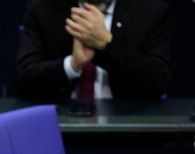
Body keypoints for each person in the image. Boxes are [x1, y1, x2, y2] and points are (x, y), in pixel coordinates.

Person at [14, 0, 170, 101]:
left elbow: (157, 82)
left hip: (128, 132)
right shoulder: (43, 8)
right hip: (62, 130)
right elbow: (24, 79)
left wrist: (107, 45)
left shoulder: (150, 10)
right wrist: (72, 65)